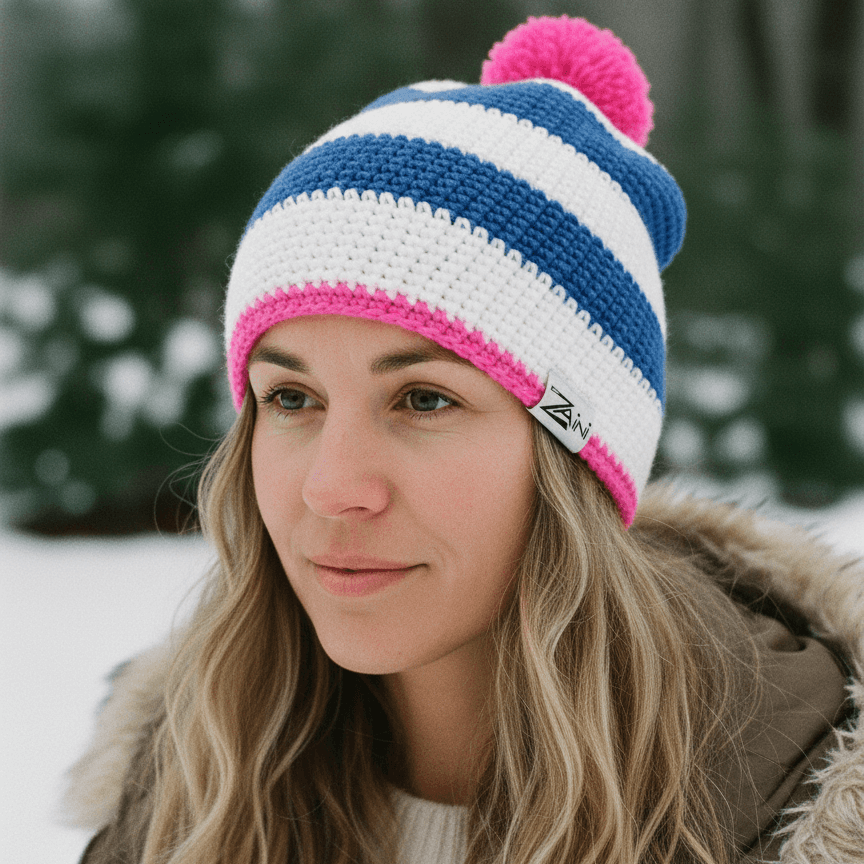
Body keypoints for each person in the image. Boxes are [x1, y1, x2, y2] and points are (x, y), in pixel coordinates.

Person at [61, 15, 863, 864]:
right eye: (291, 396)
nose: (331, 488)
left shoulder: (790, 806)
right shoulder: (187, 786)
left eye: (423, 399)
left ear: (572, 451)